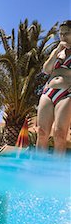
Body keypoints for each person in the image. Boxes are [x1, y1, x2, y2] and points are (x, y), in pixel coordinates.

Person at [37, 20, 71, 154]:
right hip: (48, 91)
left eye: (67, 33)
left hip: (66, 93)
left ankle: (56, 172)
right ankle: (37, 168)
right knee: (41, 132)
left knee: (60, 133)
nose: (63, 37)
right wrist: (57, 50)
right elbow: (46, 69)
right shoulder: (57, 52)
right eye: (61, 34)